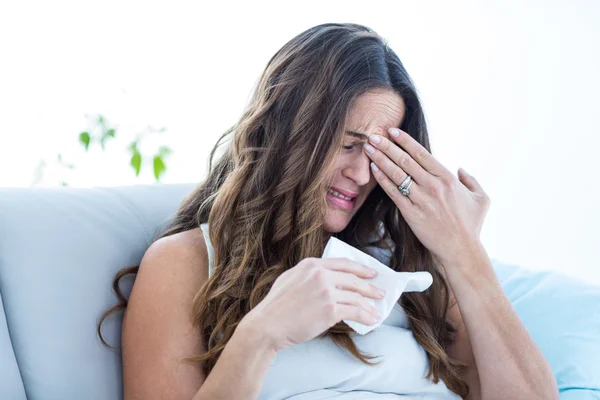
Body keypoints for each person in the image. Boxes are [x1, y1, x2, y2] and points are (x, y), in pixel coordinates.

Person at [98, 22, 558, 400]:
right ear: (288, 132)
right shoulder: (186, 263)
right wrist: (262, 334)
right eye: (348, 145)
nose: (361, 174)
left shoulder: (412, 270)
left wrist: (465, 253)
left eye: (379, 156)